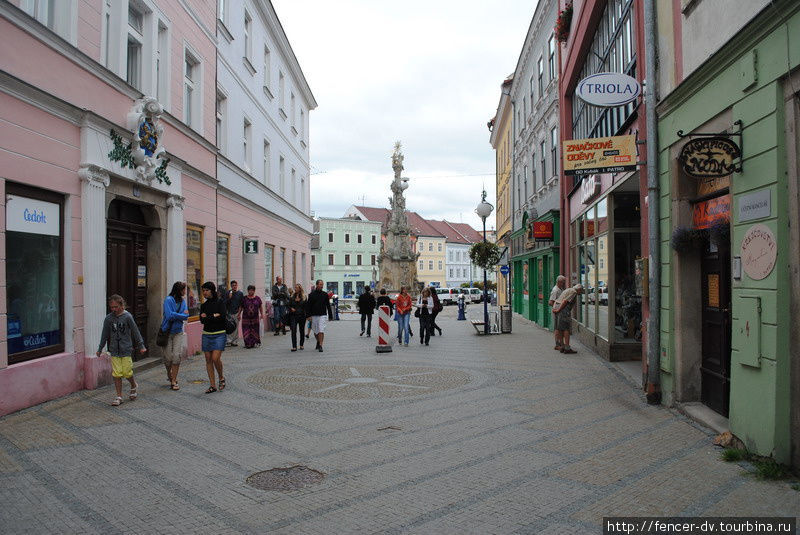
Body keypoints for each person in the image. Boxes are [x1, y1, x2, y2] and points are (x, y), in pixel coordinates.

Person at [96, 295, 146, 406]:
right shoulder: (108, 318)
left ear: (122, 305)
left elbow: (135, 331)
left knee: (127, 372)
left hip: (126, 349)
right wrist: (100, 348)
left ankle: (133, 385)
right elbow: (104, 334)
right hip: (114, 350)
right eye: (112, 307)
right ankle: (119, 396)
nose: (114, 309)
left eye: (116, 307)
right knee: (117, 373)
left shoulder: (128, 317)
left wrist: (141, 345)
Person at [200, 281, 227, 393]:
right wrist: (214, 316)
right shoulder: (204, 305)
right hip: (206, 334)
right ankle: (212, 385)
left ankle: (221, 377)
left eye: (206, 290)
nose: (204, 293)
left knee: (215, 358)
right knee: (208, 360)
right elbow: (202, 320)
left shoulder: (220, 302)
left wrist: (208, 317)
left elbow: (222, 317)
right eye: (203, 291)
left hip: (219, 333)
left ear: (212, 291)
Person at [161, 281, 189, 391]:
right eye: (183, 290)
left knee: (176, 356)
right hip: (167, 332)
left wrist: (177, 315)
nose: (184, 292)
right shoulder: (168, 300)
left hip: (178, 332)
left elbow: (186, 316)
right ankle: (170, 375)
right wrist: (181, 315)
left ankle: (173, 380)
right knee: (168, 358)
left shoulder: (183, 301)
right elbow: (168, 316)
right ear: (178, 290)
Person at [552, 284, 584, 354]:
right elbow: (565, 301)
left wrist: (555, 309)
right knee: (566, 329)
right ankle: (567, 347)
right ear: (579, 289)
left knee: (559, 328)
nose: (580, 293)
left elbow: (558, 300)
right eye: (581, 291)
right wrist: (559, 310)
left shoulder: (567, 289)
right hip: (563, 310)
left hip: (557, 307)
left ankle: (562, 346)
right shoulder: (573, 292)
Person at [306, 279, 333, 352]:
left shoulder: (325, 295)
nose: (322, 286)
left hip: (322, 315)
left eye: (322, 284)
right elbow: (308, 306)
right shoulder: (311, 295)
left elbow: (328, 305)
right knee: (315, 331)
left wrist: (330, 316)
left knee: (321, 330)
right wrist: (308, 316)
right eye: (320, 284)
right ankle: (318, 341)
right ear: (317, 285)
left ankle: (320, 345)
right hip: (314, 315)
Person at [548, 275, 567, 351]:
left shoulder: (560, 289)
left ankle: (561, 343)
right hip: (557, 312)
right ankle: (557, 344)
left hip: (560, 311)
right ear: (559, 282)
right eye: (563, 282)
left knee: (559, 328)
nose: (564, 283)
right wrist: (558, 309)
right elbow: (550, 302)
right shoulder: (555, 290)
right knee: (557, 328)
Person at [288, 283, 307, 351]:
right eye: (295, 287)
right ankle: (294, 346)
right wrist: (291, 309)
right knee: (293, 330)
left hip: (302, 316)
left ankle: (301, 344)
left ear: (300, 289)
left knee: (301, 331)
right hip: (293, 316)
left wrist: (307, 315)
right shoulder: (292, 296)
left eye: (297, 288)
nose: (295, 289)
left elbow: (306, 307)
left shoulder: (304, 297)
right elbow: (288, 305)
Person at [225, 280, 244, 347]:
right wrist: (229, 298)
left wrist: (239, 314)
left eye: (235, 285)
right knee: (229, 327)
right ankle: (228, 341)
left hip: (236, 312)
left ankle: (234, 341)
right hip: (229, 313)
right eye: (233, 285)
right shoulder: (228, 293)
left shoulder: (240, 293)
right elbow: (225, 303)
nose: (234, 287)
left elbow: (241, 305)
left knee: (236, 327)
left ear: (237, 285)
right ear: (231, 286)